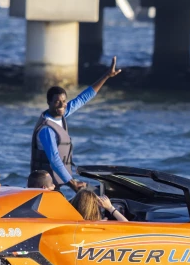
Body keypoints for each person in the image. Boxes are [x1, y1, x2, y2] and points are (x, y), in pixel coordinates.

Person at [31, 57, 123, 192]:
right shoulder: (46, 130)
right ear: (49, 103)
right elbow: (55, 160)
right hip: (45, 185)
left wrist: (106, 76)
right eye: (57, 102)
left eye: (64, 101)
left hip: (57, 181)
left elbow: (83, 98)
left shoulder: (61, 115)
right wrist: (72, 183)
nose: (62, 105)